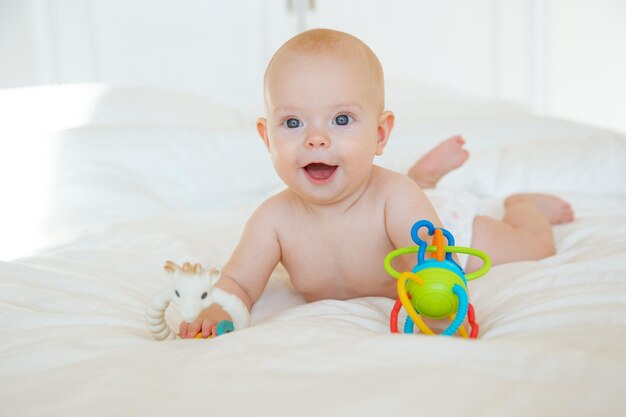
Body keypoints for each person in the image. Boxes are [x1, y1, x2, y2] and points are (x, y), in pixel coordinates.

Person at [179, 29, 574, 338]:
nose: (316, 139)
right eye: (293, 123)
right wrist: (220, 308)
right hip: (405, 205)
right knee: (408, 196)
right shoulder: (272, 220)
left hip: (442, 231)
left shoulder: (393, 198)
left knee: (533, 247)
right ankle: (425, 178)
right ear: (267, 139)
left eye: (342, 119)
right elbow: (237, 282)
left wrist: (439, 304)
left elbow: (434, 262)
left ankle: (522, 206)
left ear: (381, 135)